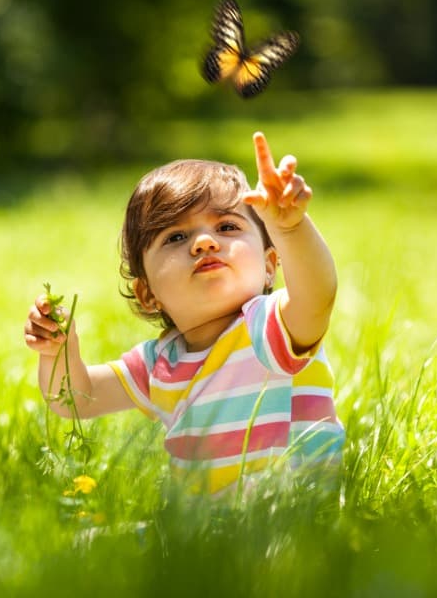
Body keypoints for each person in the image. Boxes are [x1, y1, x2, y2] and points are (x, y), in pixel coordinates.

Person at [24, 132, 344, 495]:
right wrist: (58, 353)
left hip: (286, 522)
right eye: (176, 237)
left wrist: (290, 228)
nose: (205, 243)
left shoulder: (270, 327)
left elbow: (318, 296)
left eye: (227, 227)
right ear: (148, 294)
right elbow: (78, 400)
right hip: (198, 536)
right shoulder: (159, 364)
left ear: (270, 266)